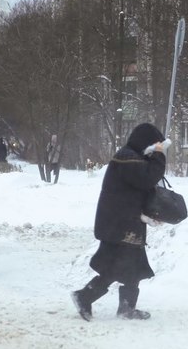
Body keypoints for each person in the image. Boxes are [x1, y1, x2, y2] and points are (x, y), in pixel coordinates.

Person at [71, 123, 166, 321]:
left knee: (132, 267)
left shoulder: (132, 157)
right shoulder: (127, 158)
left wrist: (149, 213)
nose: (156, 148)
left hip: (125, 223)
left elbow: (139, 188)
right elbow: (147, 179)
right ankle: (84, 296)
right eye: (155, 144)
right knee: (116, 267)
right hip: (119, 225)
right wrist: (159, 155)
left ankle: (126, 308)